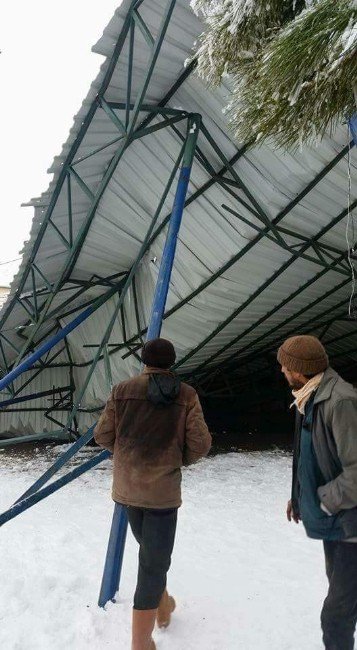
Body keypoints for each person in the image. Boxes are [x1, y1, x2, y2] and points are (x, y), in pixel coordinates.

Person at [94, 337, 211, 650]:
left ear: (144, 361)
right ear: (171, 363)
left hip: (129, 490)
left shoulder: (122, 391)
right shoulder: (187, 395)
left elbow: (102, 434)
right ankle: (141, 643)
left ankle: (163, 605)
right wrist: (174, 458)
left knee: (151, 557)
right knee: (152, 562)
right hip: (162, 495)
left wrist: (126, 455)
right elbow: (200, 444)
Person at [278, 335, 357, 650]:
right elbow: (313, 455)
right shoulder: (308, 396)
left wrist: (323, 500)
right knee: (345, 601)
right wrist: (299, 496)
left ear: (298, 371)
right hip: (336, 522)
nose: (282, 370)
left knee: (335, 616)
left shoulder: (341, 401)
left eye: (285, 365)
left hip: (350, 522)